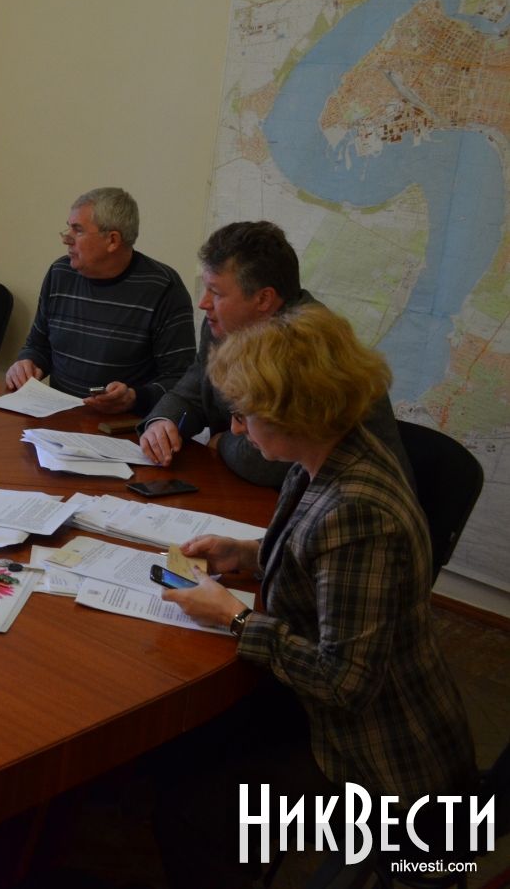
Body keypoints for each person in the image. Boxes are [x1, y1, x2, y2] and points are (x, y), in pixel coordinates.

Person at [155, 305, 475, 887]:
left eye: (245, 415)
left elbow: (344, 682)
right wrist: (244, 552)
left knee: (197, 803)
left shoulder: (358, 511)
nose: (236, 429)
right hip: (336, 710)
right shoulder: (328, 455)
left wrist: (236, 618)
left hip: (378, 755)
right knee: (186, 751)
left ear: (293, 414)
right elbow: (317, 555)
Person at [139, 220, 413, 487]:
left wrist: (222, 442)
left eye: (216, 292)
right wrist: (162, 423)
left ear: (263, 299)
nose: (203, 303)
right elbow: (195, 387)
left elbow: (271, 461)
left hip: (353, 499)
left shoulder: (308, 345)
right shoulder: (222, 325)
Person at [5, 187, 194, 415]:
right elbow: (38, 345)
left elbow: (181, 380)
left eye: (78, 230)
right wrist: (27, 363)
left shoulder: (163, 288)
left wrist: (135, 398)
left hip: (122, 425)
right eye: (68, 228)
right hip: (56, 416)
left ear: (112, 240)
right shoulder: (60, 273)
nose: (66, 239)